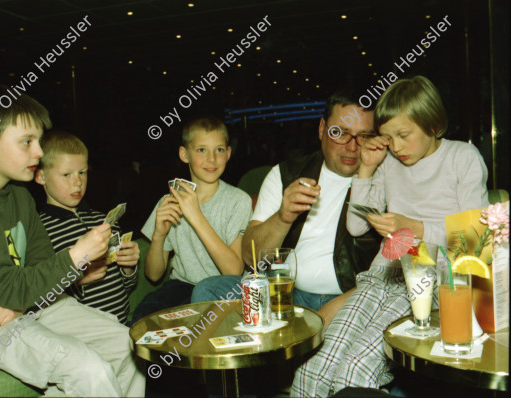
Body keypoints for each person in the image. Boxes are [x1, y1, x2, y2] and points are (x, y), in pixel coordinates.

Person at [0, 85, 145, 397]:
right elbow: (8, 286)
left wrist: (18, 304)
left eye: (38, 141)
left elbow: (39, 267)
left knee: (130, 347)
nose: (38, 152)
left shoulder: (21, 197)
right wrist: (78, 254)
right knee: (88, 369)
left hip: (16, 304)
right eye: (27, 142)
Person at [291, 76, 489, 397]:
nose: (395, 147)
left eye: (403, 135)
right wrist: (367, 169)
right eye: (387, 137)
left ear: (433, 124)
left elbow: (476, 239)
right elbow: (357, 228)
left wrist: (416, 227)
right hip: (381, 275)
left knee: (355, 371)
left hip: (430, 284)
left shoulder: (462, 158)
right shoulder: (389, 162)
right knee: (312, 369)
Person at [191, 88, 381, 325]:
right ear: (322, 129)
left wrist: (340, 304)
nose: (352, 147)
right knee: (208, 291)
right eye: (339, 133)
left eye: (364, 136)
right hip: (286, 294)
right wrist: (283, 217)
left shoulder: (384, 180)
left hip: (352, 299)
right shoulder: (285, 174)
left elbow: (391, 273)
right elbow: (251, 258)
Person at [131, 116, 252, 323]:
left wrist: (195, 215)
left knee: (198, 319)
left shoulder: (238, 200)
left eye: (219, 150)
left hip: (222, 290)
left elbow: (233, 271)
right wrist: (159, 236)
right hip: (181, 286)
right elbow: (153, 275)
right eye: (201, 150)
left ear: (228, 154)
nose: (212, 159)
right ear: (184, 154)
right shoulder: (169, 201)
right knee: (144, 317)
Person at [35, 131, 139, 325]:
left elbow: (127, 287)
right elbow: (40, 298)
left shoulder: (104, 221)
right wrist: (76, 281)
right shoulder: (40, 233)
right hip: (79, 336)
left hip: (121, 325)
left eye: (82, 172)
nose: (78, 182)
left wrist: (129, 268)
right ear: (41, 176)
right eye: (66, 174)